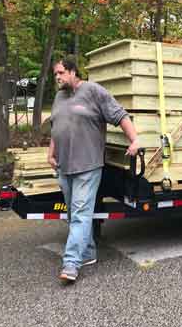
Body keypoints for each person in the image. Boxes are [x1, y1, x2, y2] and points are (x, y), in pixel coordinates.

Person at [48, 57, 139, 283]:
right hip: (64, 166)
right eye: (55, 74)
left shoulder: (93, 91)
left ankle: (71, 264)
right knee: (73, 215)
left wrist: (135, 140)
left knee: (80, 214)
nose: (57, 78)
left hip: (87, 166)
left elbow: (120, 115)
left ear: (72, 71)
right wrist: (50, 152)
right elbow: (55, 126)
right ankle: (87, 253)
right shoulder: (59, 97)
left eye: (60, 73)